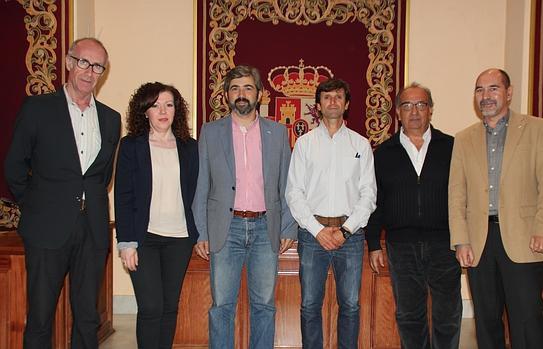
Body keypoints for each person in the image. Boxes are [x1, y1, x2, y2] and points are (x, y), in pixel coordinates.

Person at [4, 37, 121, 349]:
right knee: (40, 316)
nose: (89, 71)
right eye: (84, 62)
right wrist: (36, 205)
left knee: (87, 317)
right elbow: (14, 166)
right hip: (45, 229)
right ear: (69, 63)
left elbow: (102, 176)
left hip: (93, 230)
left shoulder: (111, 119)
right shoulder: (38, 109)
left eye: (98, 66)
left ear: (103, 72)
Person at [448, 68, 543, 349]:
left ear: (509, 93)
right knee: (486, 321)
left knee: (527, 321)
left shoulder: (536, 128)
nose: (486, 96)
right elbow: (456, 193)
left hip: (524, 239)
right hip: (479, 241)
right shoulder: (464, 138)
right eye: (480, 90)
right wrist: (461, 239)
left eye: (493, 88)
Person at [192, 65, 297, 349]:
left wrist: (288, 225)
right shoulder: (210, 132)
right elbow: (203, 183)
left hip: (266, 229)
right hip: (226, 229)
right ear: (226, 95)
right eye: (235, 88)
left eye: (248, 88)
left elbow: (287, 184)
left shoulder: (278, 132)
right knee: (222, 306)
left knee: (264, 305)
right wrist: (201, 232)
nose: (242, 94)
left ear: (260, 94)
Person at [366, 82, 462, 349]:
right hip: (402, 246)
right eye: (407, 106)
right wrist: (374, 243)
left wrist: (466, 238)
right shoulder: (384, 153)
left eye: (421, 105)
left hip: (445, 245)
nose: (415, 112)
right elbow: (376, 202)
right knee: (409, 316)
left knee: (448, 316)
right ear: (398, 112)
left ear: (430, 110)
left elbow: (463, 197)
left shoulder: (452, 147)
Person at [286, 78, 377, 349]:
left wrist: (345, 230)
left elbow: (368, 195)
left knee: (350, 304)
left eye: (338, 97)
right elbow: (294, 193)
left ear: (347, 104)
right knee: (310, 304)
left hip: (350, 236)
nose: (333, 102)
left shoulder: (361, 145)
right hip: (313, 236)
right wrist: (318, 231)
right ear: (318, 106)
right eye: (327, 98)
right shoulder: (304, 144)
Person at [114, 82, 198, 348]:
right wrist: (126, 242)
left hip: (180, 239)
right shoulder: (131, 146)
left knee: (169, 307)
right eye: (155, 105)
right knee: (150, 307)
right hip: (144, 238)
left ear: (177, 111)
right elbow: (123, 197)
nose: (163, 110)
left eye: (169, 104)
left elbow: (200, 192)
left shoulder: (190, 147)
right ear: (145, 111)